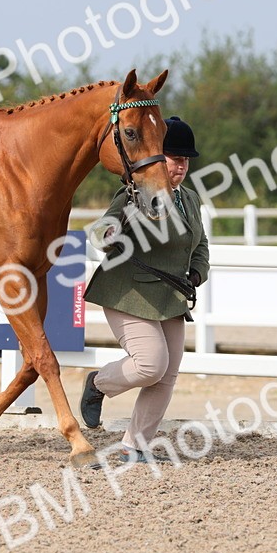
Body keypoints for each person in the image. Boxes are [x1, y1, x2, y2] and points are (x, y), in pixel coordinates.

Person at [79, 115, 210, 463]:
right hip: (127, 290)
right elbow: (99, 234)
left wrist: (197, 272)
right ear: (156, 158)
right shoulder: (134, 193)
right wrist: (114, 229)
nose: (179, 166)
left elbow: (200, 244)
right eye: (173, 158)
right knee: (150, 364)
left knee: (166, 376)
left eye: (184, 160)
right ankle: (98, 384)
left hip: (169, 296)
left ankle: (134, 447)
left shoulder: (191, 200)